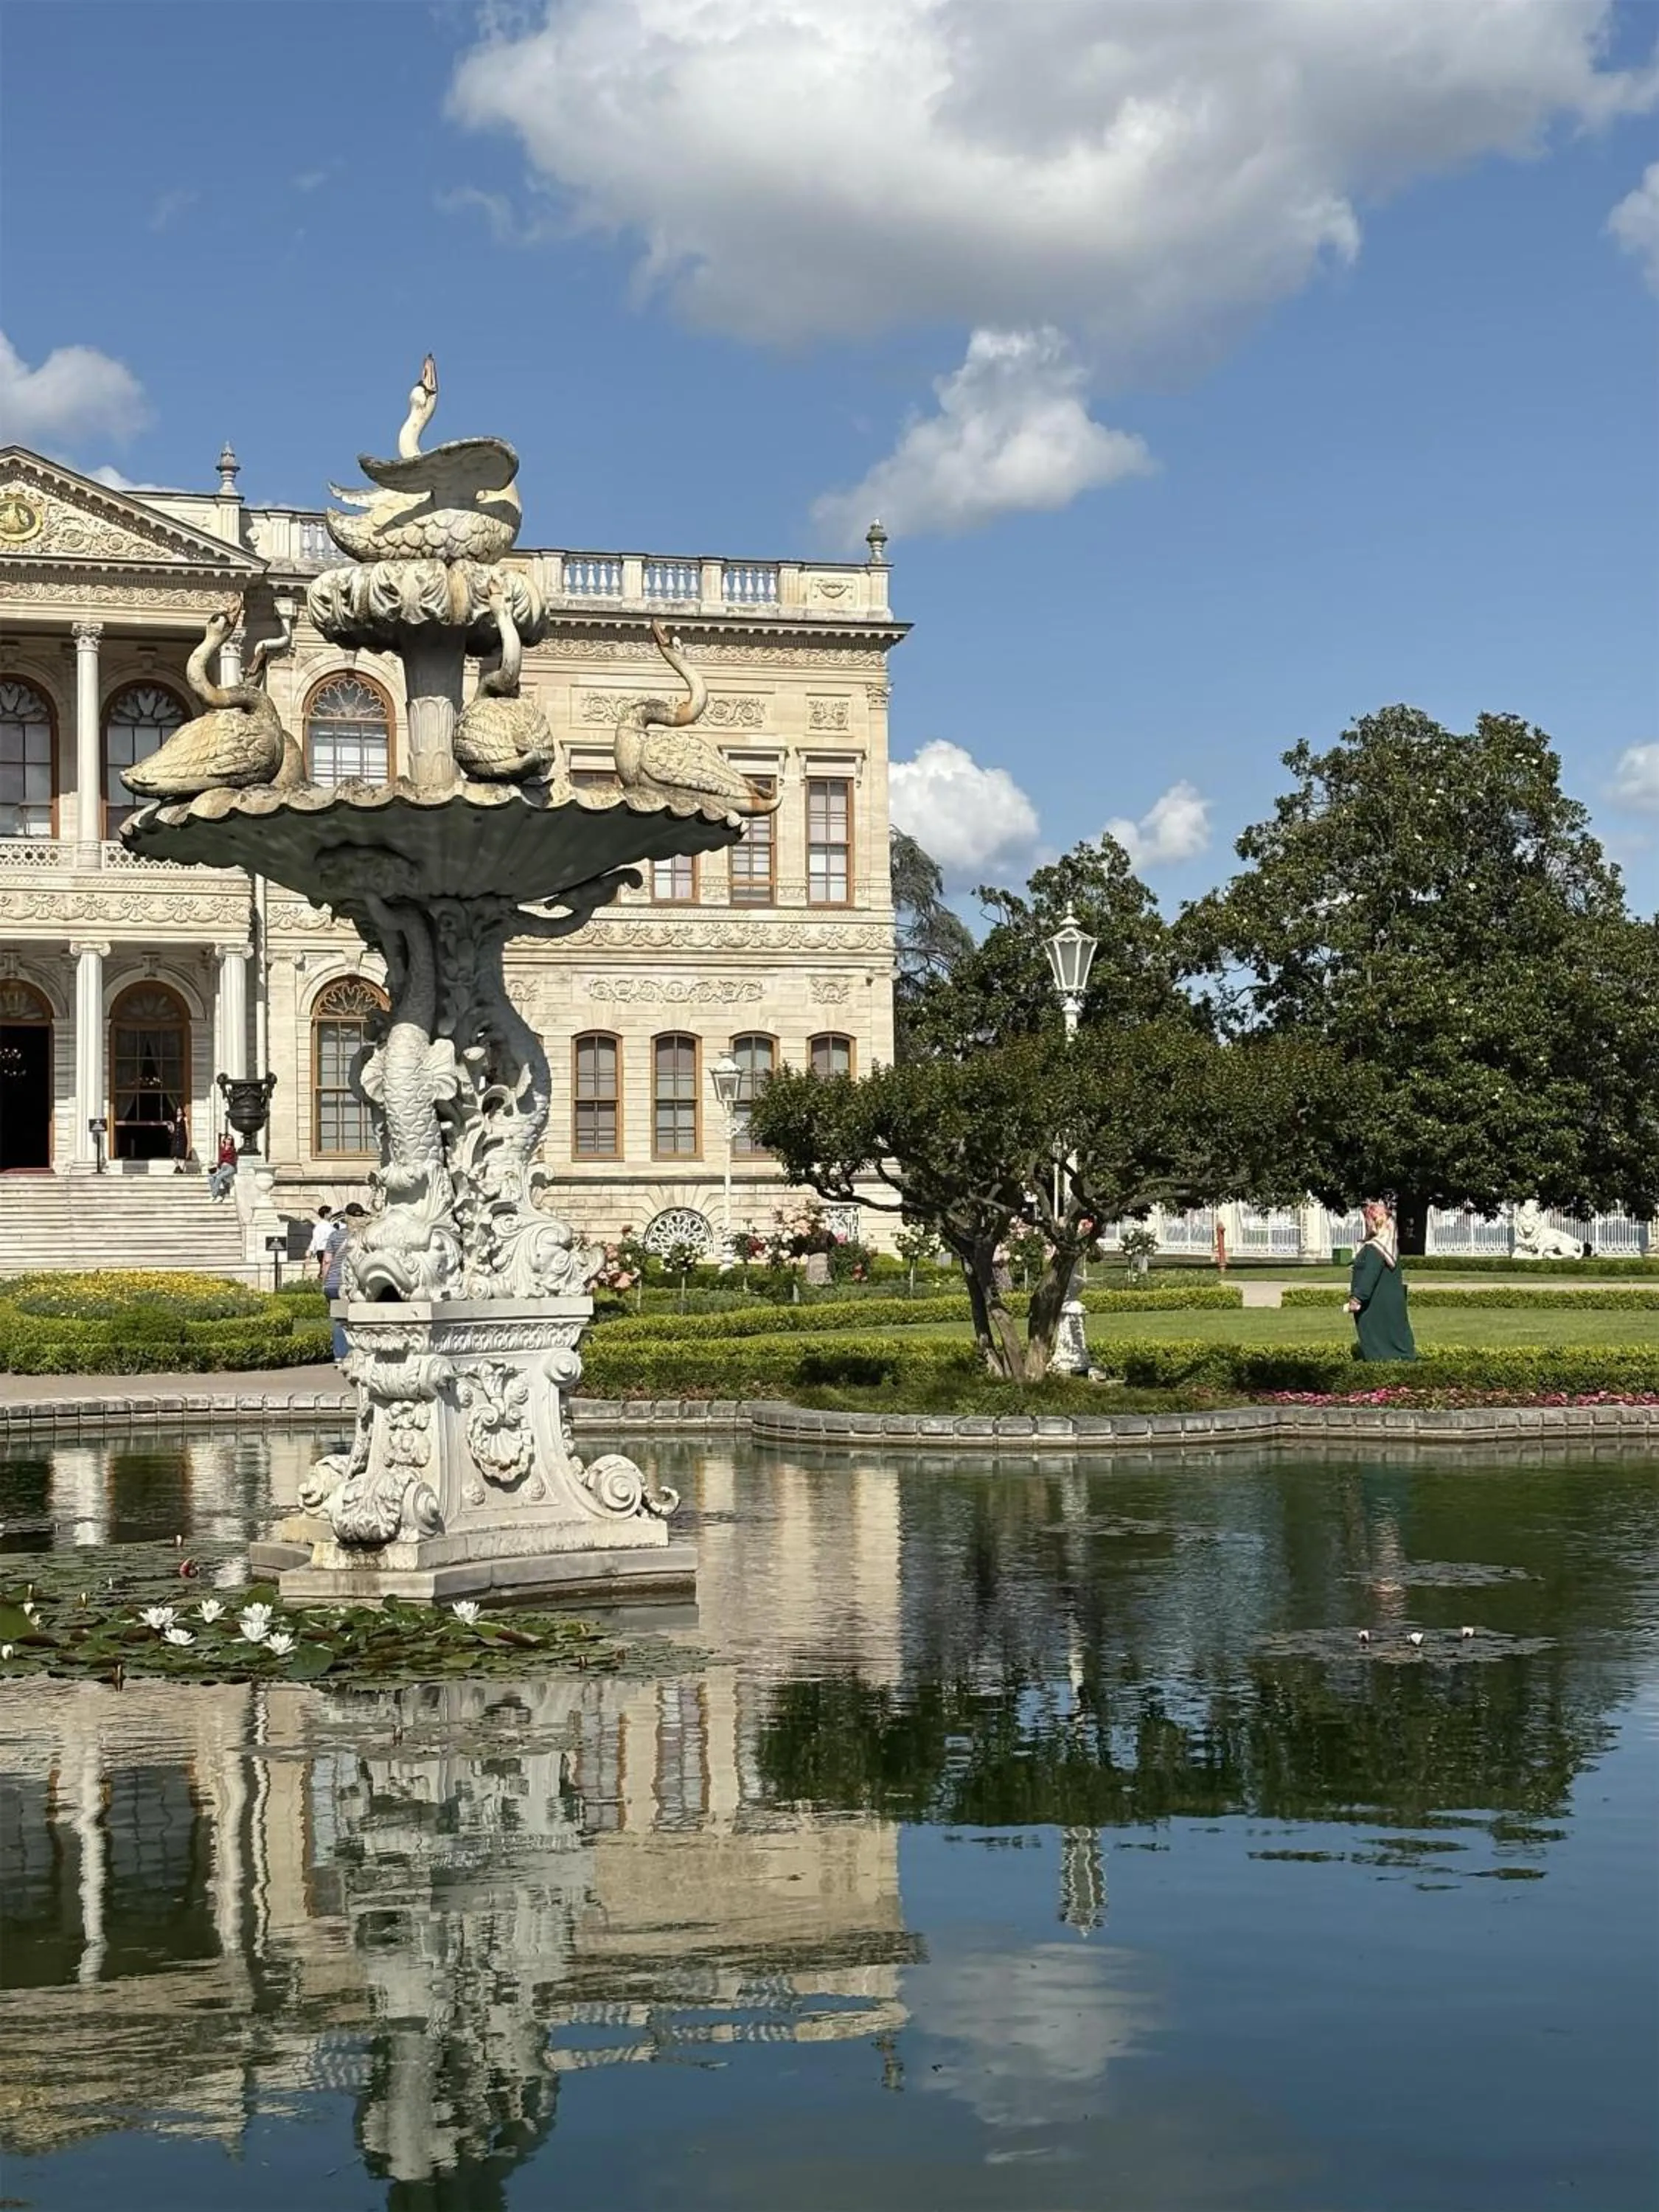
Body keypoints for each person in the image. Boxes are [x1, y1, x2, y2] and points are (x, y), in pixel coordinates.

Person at [1346, 1198, 1417, 1360]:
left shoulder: (1375, 1248)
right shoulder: (1387, 1248)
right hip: (1388, 1302)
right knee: (1394, 1333)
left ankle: (1385, 1363)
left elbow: (1369, 1275)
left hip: (1376, 1304)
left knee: (1380, 1338)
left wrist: (1357, 1298)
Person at [321, 1202, 367, 1360]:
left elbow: (327, 1261)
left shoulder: (335, 1236)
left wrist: (324, 1280)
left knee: (339, 1319)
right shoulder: (364, 1236)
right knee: (359, 1317)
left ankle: (340, 1355)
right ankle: (357, 1352)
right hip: (352, 1283)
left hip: (333, 1283)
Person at [307, 1205, 335, 1281]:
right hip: (327, 1251)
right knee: (328, 1270)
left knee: (324, 1268)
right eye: (330, 1213)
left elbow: (314, 1241)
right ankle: (324, 1282)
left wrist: (311, 1252)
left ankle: (322, 1280)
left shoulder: (318, 1227)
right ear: (326, 1215)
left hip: (320, 1251)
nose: (332, 1214)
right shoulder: (328, 1227)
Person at [208, 1132, 238, 1201]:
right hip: (223, 1168)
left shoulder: (232, 1149)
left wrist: (223, 1162)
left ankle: (214, 1195)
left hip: (230, 1168)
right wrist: (218, 1169)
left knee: (219, 1177)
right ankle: (218, 1194)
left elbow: (230, 1160)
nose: (229, 1141)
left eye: (230, 1139)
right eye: (228, 1139)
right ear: (225, 1140)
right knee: (211, 1178)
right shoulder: (222, 1149)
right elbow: (220, 1160)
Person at [169, 1108, 190, 1175]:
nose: (179, 1112)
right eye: (178, 1111)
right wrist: (170, 1129)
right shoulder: (174, 1120)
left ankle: (182, 1169)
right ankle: (178, 1167)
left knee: (182, 1155)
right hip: (176, 1137)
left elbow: (187, 1128)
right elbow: (172, 1130)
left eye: (180, 1111)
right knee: (173, 1154)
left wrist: (186, 1122)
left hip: (182, 1138)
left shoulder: (184, 1119)